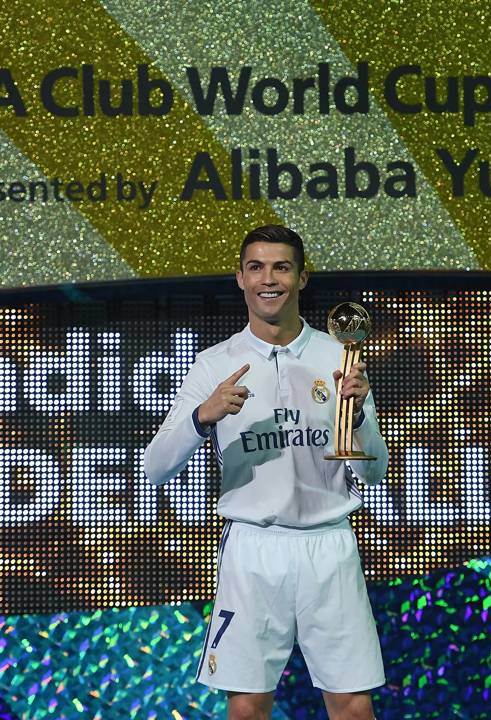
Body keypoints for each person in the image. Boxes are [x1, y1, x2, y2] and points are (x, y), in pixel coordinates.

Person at [143, 225, 388, 720]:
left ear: (301, 277)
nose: (268, 279)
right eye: (256, 267)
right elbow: (154, 468)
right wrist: (200, 418)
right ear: (240, 278)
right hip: (253, 548)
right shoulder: (215, 364)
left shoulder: (339, 357)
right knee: (249, 708)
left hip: (329, 543)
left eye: (281, 267)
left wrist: (357, 416)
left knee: (353, 708)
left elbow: (378, 473)